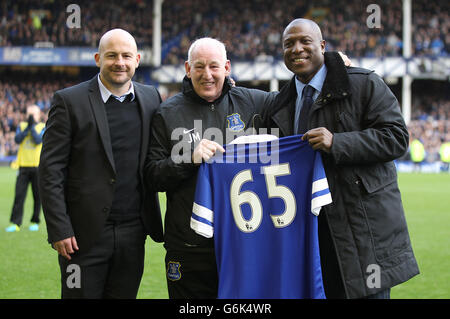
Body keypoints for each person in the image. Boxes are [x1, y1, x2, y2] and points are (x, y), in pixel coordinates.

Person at [262, 18, 419, 299]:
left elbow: (396, 138)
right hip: (310, 239)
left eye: (304, 41)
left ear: (322, 46)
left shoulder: (363, 83)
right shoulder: (279, 103)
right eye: (288, 44)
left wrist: (338, 142)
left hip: (361, 239)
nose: (296, 49)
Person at [145, 37, 277, 298]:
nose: (207, 74)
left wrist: (331, 66)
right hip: (189, 245)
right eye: (199, 66)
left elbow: (300, 96)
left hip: (245, 241)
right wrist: (188, 159)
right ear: (187, 68)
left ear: (227, 68)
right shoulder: (167, 112)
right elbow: (152, 176)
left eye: (214, 67)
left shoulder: (255, 102)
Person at [38, 28, 163, 299]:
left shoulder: (151, 97)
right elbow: (50, 171)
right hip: (82, 237)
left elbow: (182, 112)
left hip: (133, 233)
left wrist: (226, 87)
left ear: (138, 59)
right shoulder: (69, 101)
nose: (120, 62)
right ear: (97, 58)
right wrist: (59, 228)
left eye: (126, 55)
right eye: (111, 55)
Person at [5, 105, 44, 232]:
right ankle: (15, 223)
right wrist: (28, 127)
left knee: (37, 196)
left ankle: (35, 221)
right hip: (23, 167)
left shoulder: (42, 127)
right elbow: (17, 139)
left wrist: (31, 127)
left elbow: (38, 140)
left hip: (37, 167)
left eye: (33, 114)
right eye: (29, 114)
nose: (31, 116)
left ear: (39, 115)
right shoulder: (21, 126)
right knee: (19, 196)